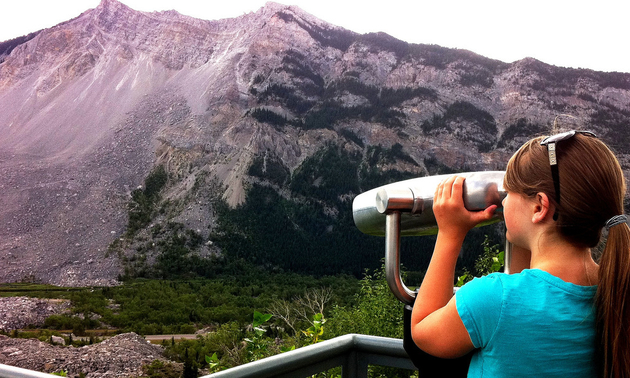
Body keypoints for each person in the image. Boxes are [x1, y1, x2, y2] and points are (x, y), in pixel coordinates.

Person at [410, 131, 630, 377]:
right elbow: (531, 286)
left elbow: (423, 330)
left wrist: (450, 233)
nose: (503, 203)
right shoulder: (617, 292)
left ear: (539, 207)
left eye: (508, 193)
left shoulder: (495, 299)